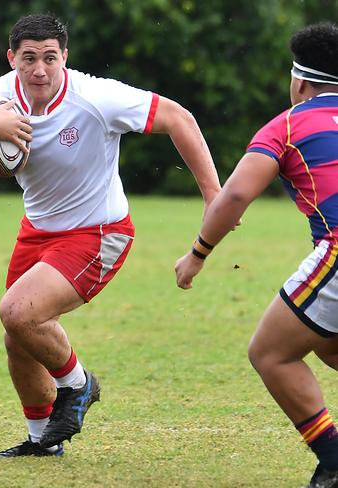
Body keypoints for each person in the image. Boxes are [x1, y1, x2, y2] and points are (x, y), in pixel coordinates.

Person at [0, 13, 222, 458]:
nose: (40, 70)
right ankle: (42, 442)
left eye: (50, 58)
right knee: (19, 336)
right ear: (12, 59)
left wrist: (213, 196)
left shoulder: (96, 96)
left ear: (64, 57)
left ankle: (79, 385)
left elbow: (178, 118)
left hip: (98, 231)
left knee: (18, 312)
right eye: (28, 58)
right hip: (37, 231)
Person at [174, 22, 338, 488]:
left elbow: (234, 197)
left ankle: (334, 458)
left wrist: (197, 254)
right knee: (328, 344)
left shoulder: (288, 124)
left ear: (300, 82)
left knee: (270, 353)